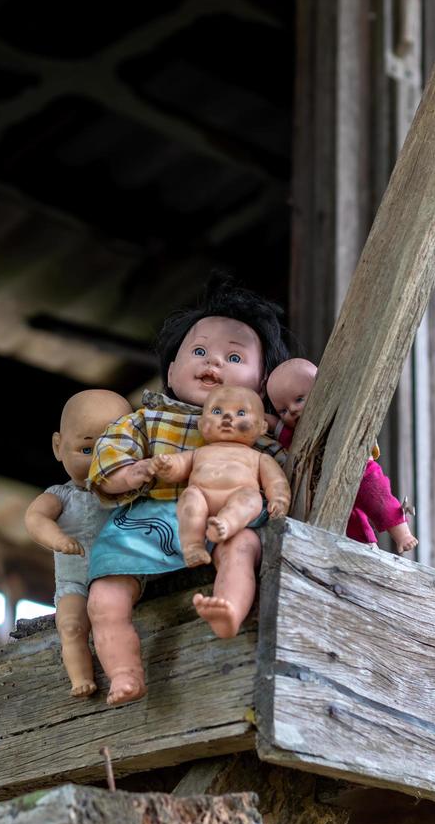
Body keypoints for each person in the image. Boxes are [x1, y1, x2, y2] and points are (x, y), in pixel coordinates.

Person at [86, 273, 289, 706]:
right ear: (172, 369)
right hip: (148, 519)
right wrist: (133, 472)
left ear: (261, 382)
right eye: (198, 351)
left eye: (234, 357)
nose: (213, 363)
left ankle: (229, 609)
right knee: (104, 596)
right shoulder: (147, 419)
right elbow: (108, 458)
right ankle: (124, 672)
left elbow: (284, 472)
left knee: (244, 547)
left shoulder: (258, 438)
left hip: (225, 520)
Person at [149, 384, 290, 633]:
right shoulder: (198, 453)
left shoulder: (258, 457)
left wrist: (279, 498)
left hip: (242, 522)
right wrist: (167, 466)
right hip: (203, 514)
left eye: (240, 413)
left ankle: (230, 612)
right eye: (217, 411)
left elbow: (275, 482)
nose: (227, 418)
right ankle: (192, 546)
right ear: (202, 425)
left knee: (249, 502)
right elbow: (178, 468)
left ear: (261, 428)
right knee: (190, 497)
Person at [24, 389, 131, 697]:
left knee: (110, 614)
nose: (99, 460)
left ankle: (121, 673)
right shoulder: (61, 494)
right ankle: (80, 677)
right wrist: (56, 538)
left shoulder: (129, 494)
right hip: (73, 580)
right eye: (86, 450)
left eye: (112, 449)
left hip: (116, 574)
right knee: (70, 625)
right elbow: (35, 518)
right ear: (59, 447)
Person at [266, 358, 418, 554]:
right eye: (283, 410)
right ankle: (367, 545)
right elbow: (284, 434)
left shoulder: (336, 410)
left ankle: (402, 534)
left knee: (379, 499)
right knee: (349, 517)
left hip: (359, 467)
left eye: (299, 399)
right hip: (326, 480)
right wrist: (269, 421)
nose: (292, 410)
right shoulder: (297, 432)